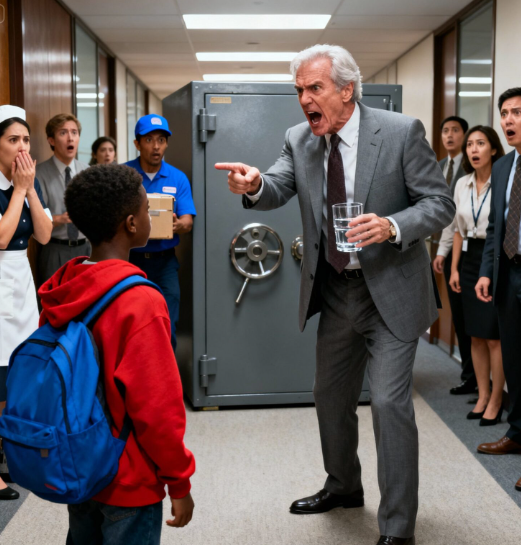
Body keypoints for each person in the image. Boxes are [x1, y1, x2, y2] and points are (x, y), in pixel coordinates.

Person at [216, 45, 455, 545]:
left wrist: (392, 225)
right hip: (337, 290)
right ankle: (344, 485)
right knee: (329, 397)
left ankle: (397, 526)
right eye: (299, 90)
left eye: (314, 88)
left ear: (347, 90)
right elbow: (277, 185)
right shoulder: (299, 138)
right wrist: (254, 184)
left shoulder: (400, 132)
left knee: (388, 404)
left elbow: (439, 203)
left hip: (391, 289)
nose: (304, 98)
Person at [38, 164, 195, 543]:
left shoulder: (65, 285)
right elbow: (157, 408)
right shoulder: (140, 302)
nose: (151, 216)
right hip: (129, 477)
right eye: (147, 209)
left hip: (80, 463)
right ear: (131, 223)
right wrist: (179, 481)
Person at [0, 105, 52, 500]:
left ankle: (7, 453)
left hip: (21, 284)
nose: (22, 147)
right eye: (13, 140)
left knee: (19, 377)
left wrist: (28, 189)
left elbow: (42, 235)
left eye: (26, 140)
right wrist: (18, 191)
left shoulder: (27, 180)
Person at [475, 88, 521, 494]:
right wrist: (487, 272)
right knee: (515, 360)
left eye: (517, 112)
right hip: (508, 274)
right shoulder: (504, 166)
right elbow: (495, 226)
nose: (508, 120)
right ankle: (518, 432)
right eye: (504, 113)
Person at [448, 126, 505, 424]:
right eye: (470, 144)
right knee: (475, 335)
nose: (473, 149)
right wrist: (454, 268)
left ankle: (496, 398)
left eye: (480, 143)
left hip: (493, 256)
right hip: (469, 259)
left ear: (493, 149)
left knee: (493, 336)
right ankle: (482, 395)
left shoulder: (504, 181)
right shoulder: (462, 184)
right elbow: (458, 230)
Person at [125, 114, 196, 351]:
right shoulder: (124, 175)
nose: (156, 146)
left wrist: (176, 225)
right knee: (133, 325)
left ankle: (166, 373)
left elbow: (188, 221)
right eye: (149, 140)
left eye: (161, 140)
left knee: (167, 324)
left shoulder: (177, 178)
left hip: (165, 264)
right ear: (137, 144)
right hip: (131, 262)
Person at [433, 116, 476, 396]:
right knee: (459, 315)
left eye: (455, 131)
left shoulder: (472, 168)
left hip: (474, 250)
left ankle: (479, 377)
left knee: (475, 319)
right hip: (449, 248)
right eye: (445, 131)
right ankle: (469, 375)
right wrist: (441, 251)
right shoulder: (438, 167)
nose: (449, 135)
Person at [35, 113, 90, 290]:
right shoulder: (39, 173)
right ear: (51, 140)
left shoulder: (87, 172)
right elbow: (34, 218)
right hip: (55, 249)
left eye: (74, 132)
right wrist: (59, 219)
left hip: (86, 248)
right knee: (55, 300)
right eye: (63, 133)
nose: (70, 138)